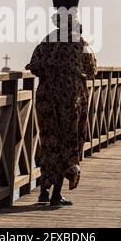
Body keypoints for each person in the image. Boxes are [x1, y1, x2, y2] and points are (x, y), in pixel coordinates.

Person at [26, 10, 97, 206]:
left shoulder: (47, 41)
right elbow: (92, 71)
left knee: (49, 141)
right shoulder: (80, 44)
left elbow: (34, 66)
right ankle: (56, 194)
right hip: (70, 102)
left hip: (46, 99)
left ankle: (43, 191)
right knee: (68, 143)